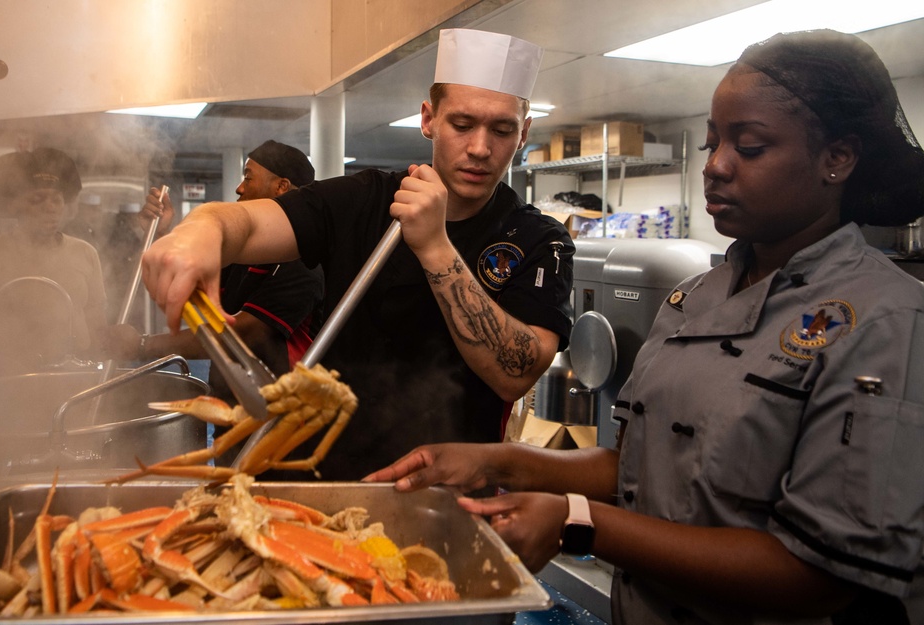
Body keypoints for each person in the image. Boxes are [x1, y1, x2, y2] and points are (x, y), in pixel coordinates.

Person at [365, 30, 924, 624]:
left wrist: (580, 523)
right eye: (712, 143)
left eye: (751, 147)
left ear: (837, 159)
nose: (716, 167)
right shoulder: (695, 297)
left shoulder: (887, 320)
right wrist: (494, 463)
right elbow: (631, 467)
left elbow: (817, 576)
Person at [139, 29, 576, 480]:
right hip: (327, 475)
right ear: (428, 119)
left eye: (502, 130)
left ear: (523, 132)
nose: (481, 148)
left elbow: (517, 371)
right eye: (461, 125)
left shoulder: (540, 240)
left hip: (448, 489)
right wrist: (203, 228)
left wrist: (434, 245)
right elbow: (249, 224)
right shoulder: (364, 198)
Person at [105, 139, 323, 383]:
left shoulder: (304, 260)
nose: (239, 188)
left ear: (281, 186)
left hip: (280, 407)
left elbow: (247, 333)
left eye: (248, 178)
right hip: (230, 399)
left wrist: (144, 345)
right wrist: (160, 234)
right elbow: (192, 286)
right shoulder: (248, 250)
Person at [0, 147, 108, 377]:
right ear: (14, 206)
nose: (50, 207)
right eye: (37, 199)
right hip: (8, 384)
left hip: (75, 379)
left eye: (56, 199)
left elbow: (97, 325)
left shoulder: (85, 253)